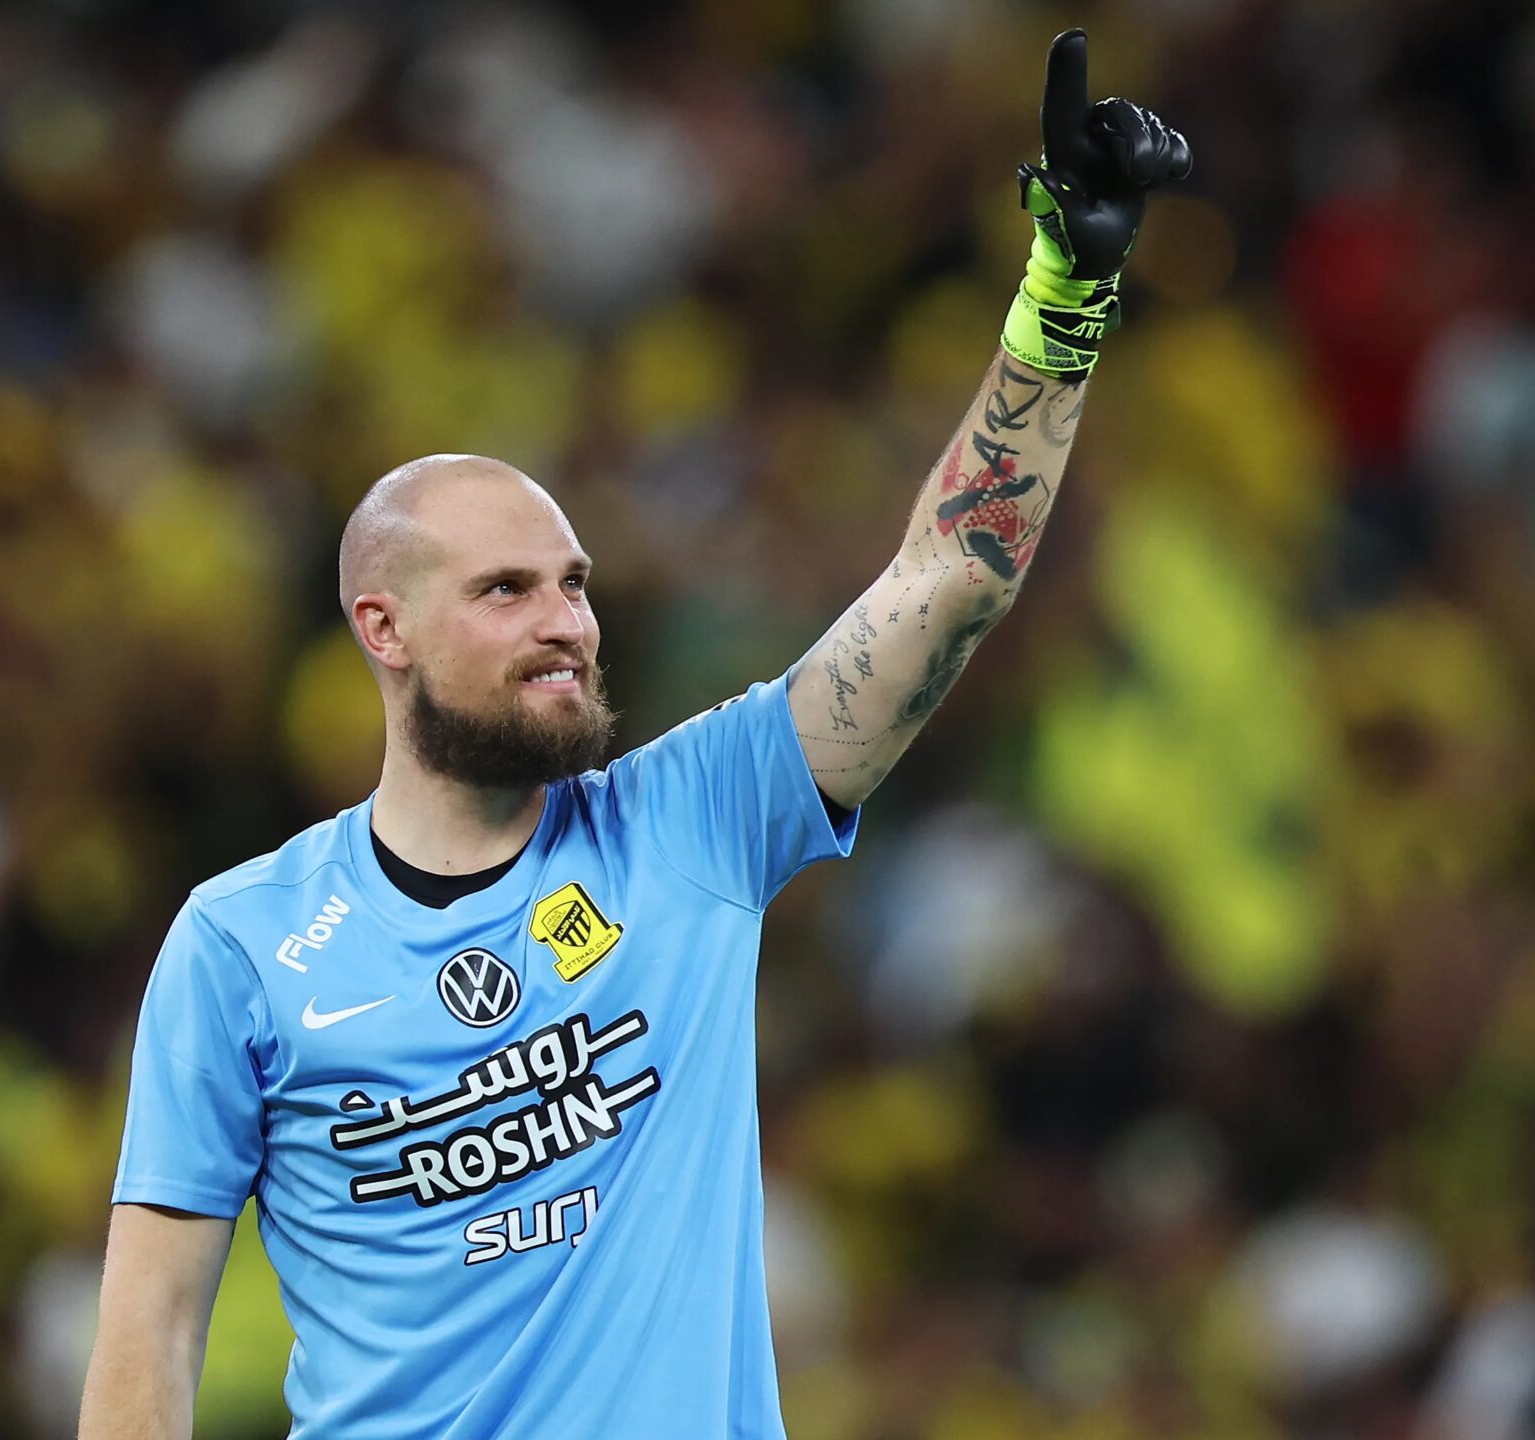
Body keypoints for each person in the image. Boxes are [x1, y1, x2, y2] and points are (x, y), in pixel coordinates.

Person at [77, 30, 1190, 1439]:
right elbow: (153, 1327)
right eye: (507, 591)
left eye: (576, 586)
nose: (567, 623)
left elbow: (951, 580)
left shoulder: (692, 822)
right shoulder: (241, 946)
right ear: (383, 628)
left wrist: (1065, 294)